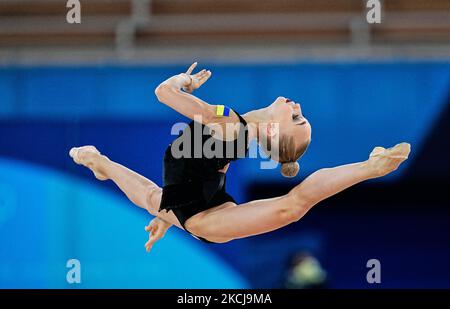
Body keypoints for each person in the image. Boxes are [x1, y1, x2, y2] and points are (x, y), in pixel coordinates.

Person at [69, 62, 411, 251]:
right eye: (301, 115)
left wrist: (183, 81)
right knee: (150, 199)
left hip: (204, 215)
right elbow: (217, 162)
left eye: (296, 119)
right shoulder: (240, 130)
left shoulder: (231, 122)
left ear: (274, 134)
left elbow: (162, 92)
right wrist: (168, 211)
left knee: (290, 207)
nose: (298, 107)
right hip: (200, 197)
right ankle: (103, 165)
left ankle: (370, 167)